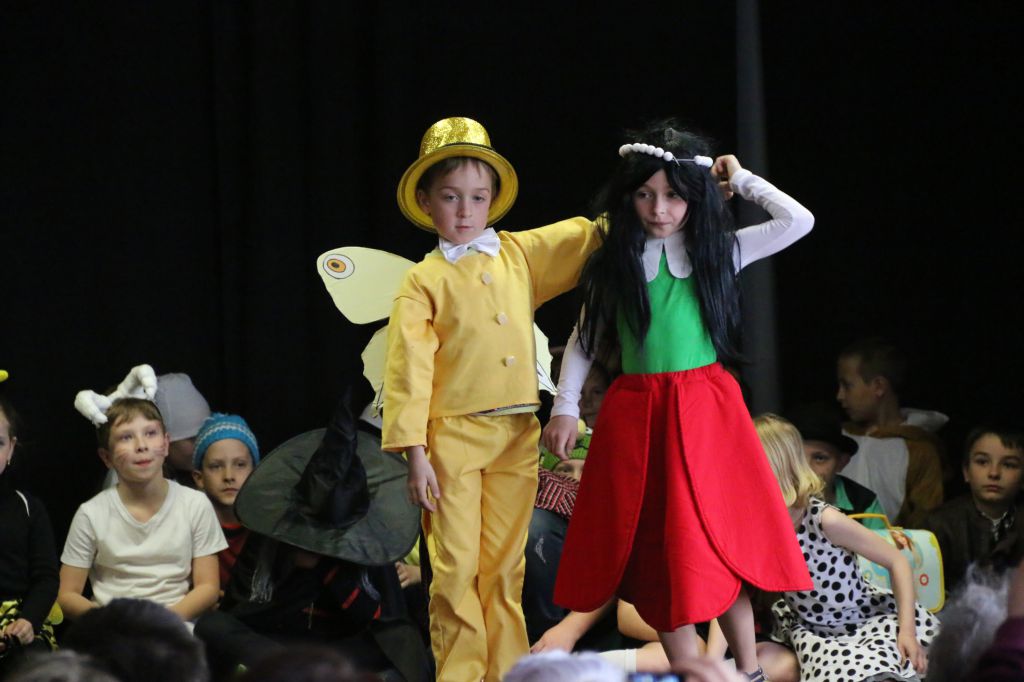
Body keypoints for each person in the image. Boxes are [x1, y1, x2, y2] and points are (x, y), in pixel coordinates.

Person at [543, 122, 814, 680]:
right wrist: (565, 405)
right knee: (656, 551)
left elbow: (797, 220)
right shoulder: (615, 264)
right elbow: (584, 339)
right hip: (639, 416)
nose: (659, 209)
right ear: (628, 197)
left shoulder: (718, 252)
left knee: (715, 539)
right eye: (645, 194)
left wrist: (741, 178)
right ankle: (692, 670)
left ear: (694, 196)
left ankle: (748, 670)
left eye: (672, 195)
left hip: (705, 413)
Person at [382, 116, 603, 681]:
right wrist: (415, 453)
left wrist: (660, 192)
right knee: (455, 568)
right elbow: (409, 369)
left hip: (515, 433)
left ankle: (508, 672)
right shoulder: (423, 280)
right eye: (450, 197)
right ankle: (461, 673)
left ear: (493, 201)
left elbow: (588, 234)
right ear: (426, 202)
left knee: (505, 568)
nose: (465, 210)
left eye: (478, 197)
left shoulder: (517, 254)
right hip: (453, 436)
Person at [755, 413, 937, 682]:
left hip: (862, 620)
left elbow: (897, 561)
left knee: (890, 667)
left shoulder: (823, 519)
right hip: (814, 632)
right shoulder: (761, 526)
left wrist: (907, 631)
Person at [58, 398, 226, 622]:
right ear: (107, 457)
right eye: (126, 437)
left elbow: (208, 587)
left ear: (166, 444)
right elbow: (67, 594)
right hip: (112, 628)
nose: (141, 445)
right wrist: (112, 623)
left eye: (150, 433)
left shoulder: (195, 504)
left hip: (175, 627)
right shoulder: (91, 514)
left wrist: (162, 623)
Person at [835, 337, 945, 526]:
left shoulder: (919, 450)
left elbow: (926, 521)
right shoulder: (836, 439)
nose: (840, 395)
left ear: (878, 386)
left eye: (847, 386)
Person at [923, 421, 1024, 596]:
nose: (994, 473)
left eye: (1008, 465)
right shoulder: (938, 526)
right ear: (966, 471)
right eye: (982, 462)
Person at [0, 392, 60, 676]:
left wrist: (27, 622)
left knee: (32, 666)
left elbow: (46, 578)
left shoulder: (29, 508)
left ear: (11, 448)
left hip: (17, 623)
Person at [786, 402, 887, 529]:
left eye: (819, 458)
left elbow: (881, 540)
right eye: (797, 457)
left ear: (841, 463)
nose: (806, 469)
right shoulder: (770, 499)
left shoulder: (863, 502)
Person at [62, 598, 209, 682]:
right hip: (105, 619)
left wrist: (165, 621)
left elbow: (207, 586)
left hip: (176, 619)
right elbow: (66, 595)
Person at [190, 413, 260, 588]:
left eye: (240, 464)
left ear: (256, 472)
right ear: (199, 478)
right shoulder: (188, 527)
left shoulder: (268, 528)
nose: (229, 476)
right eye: (216, 466)